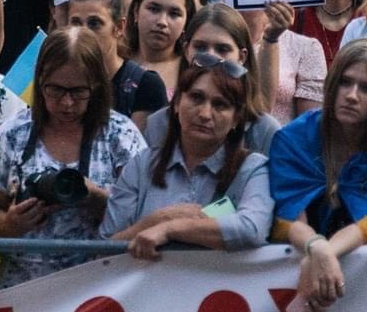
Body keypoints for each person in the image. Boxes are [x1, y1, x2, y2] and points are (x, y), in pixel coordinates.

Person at [0, 27, 145, 288]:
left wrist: (96, 199)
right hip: (22, 289)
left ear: (96, 85)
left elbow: (143, 213)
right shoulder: (15, 133)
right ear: (40, 83)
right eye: (55, 90)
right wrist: (11, 223)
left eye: (78, 92)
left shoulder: (121, 136)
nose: (67, 103)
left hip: (99, 290)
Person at [268, 40, 367, 312]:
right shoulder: (292, 139)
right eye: (345, 82)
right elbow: (289, 217)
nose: (352, 95)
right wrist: (317, 248)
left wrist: (325, 253)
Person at [102, 55, 276, 258]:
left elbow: (251, 229)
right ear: (176, 104)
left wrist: (171, 228)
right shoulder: (142, 165)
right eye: (196, 97)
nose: (204, 113)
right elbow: (105, 249)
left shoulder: (253, 169)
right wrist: (154, 221)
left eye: (220, 105)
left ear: (237, 119)